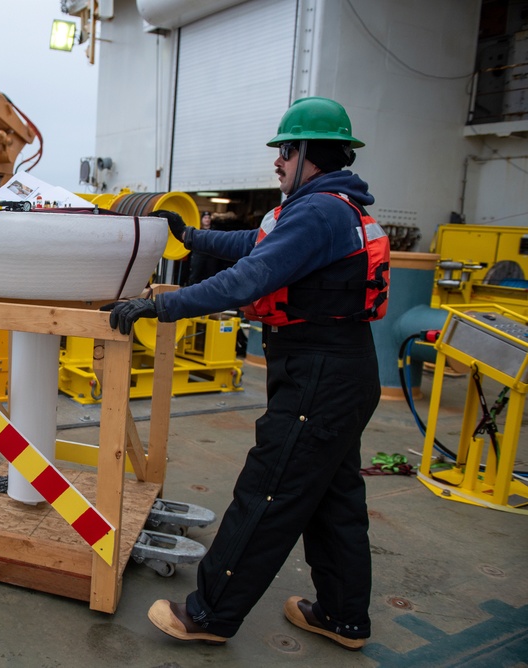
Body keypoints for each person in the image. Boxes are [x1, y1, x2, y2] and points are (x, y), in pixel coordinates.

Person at [104, 97, 389, 650]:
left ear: (305, 152)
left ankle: (209, 614)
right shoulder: (326, 208)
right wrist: (191, 237)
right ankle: (343, 617)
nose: (277, 163)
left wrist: (161, 306)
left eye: (283, 152)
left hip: (319, 376)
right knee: (335, 501)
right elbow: (254, 244)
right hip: (341, 371)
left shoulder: (319, 211)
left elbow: (249, 276)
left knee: (269, 492)